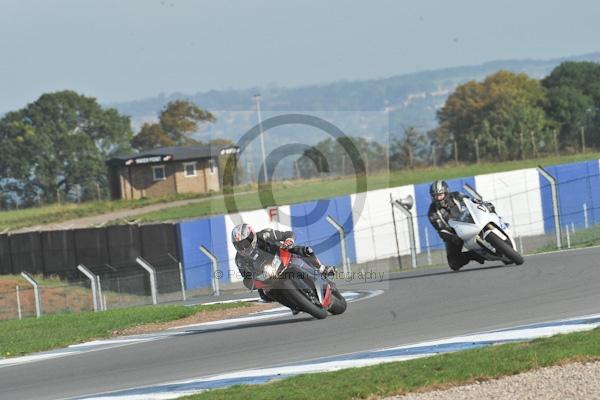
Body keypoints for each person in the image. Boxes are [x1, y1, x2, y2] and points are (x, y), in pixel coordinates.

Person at [231, 223, 333, 312]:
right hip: (267, 275)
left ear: (252, 236)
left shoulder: (265, 235)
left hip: (283, 255)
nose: (244, 247)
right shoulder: (240, 259)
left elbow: (288, 234)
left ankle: (322, 269)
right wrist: (253, 283)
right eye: (239, 245)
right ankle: (294, 306)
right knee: (266, 294)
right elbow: (246, 278)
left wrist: (288, 241)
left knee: (306, 250)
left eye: (245, 243)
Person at [427, 180, 489, 271]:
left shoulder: (456, 196)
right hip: (455, 234)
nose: (439, 198)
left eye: (441, 195)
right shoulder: (432, 212)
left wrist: (480, 203)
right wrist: (452, 238)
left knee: (489, 208)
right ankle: (473, 254)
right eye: (436, 196)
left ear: (446, 192)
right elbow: (441, 230)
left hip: (471, 220)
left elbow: (470, 201)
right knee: (454, 264)